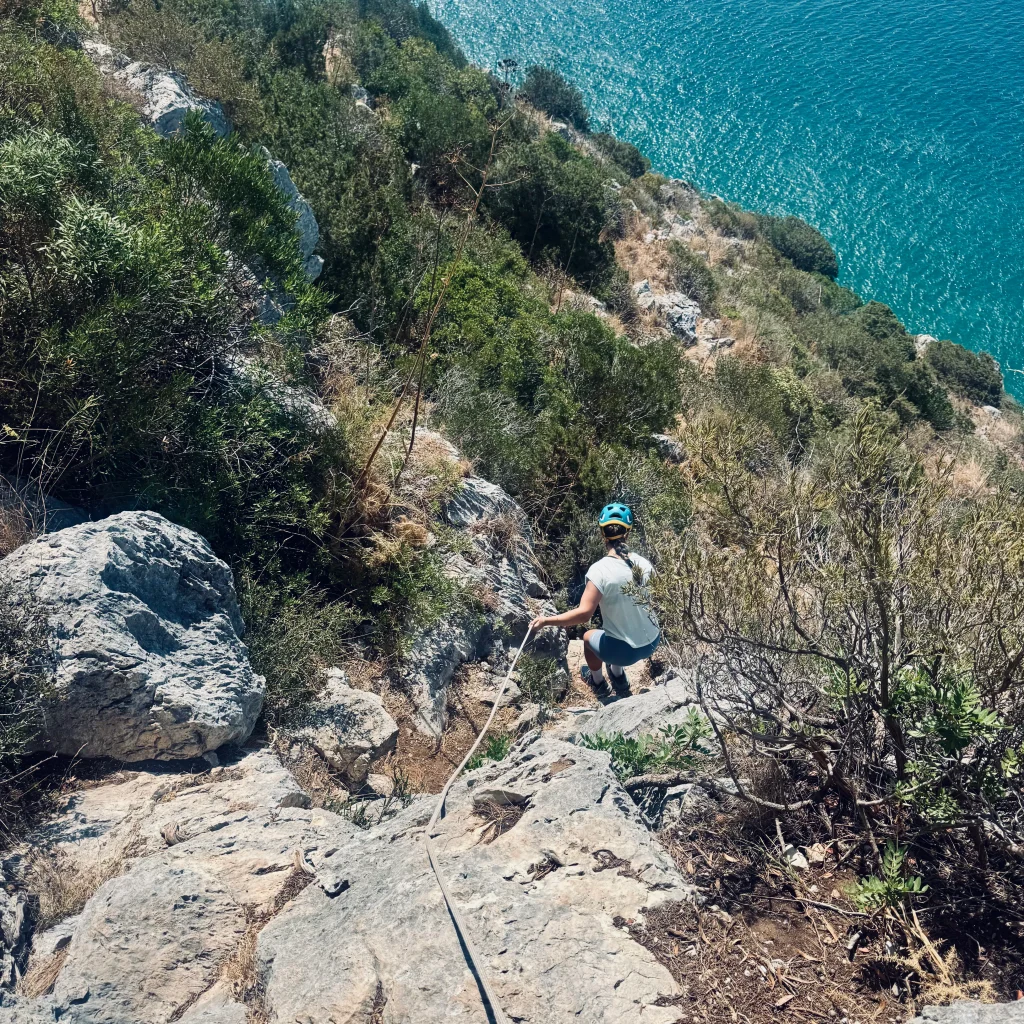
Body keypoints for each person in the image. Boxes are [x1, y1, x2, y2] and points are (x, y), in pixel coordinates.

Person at [529, 503, 660, 698]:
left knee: (589, 637)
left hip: (624, 652)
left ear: (602, 534)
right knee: (617, 631)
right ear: (628, 533)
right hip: (651, 641)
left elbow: (584, 614)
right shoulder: (644, 563)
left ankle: (598, 682)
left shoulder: (600, 570)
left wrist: (547, 621)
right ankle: (618, 677)